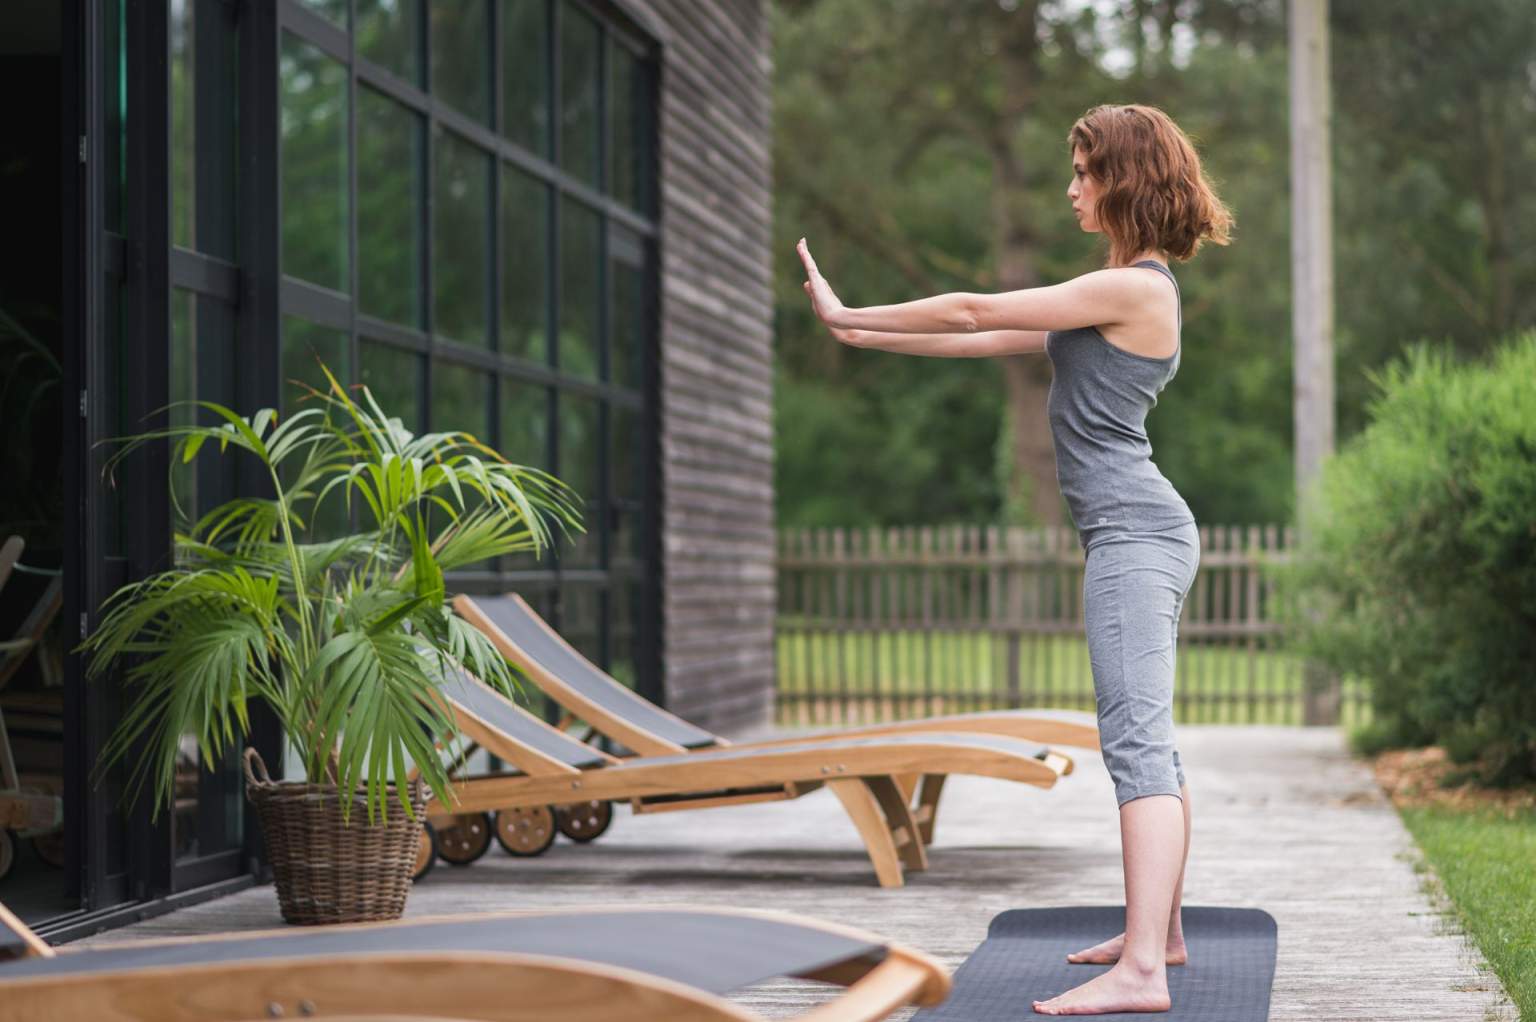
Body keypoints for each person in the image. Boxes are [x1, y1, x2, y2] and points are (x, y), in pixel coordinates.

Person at [796, 103, 1233, 1016]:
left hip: (1135, 536)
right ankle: (1165, 934)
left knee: (1136, 745)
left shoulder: (1138, 290)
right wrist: (862, 334)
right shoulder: (1111, 296)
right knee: (1150, 740)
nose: (1071, 189)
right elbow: (989, 334)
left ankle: (1144, 971)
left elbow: (972, 303)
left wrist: (847, 303)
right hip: (1139, 532)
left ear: (1125, 180)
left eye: (1084, 172)